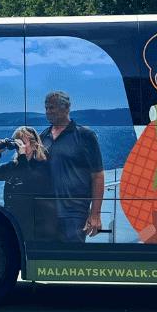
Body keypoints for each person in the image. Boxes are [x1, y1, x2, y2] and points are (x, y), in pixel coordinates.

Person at [38, 90, 105, 243]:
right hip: (47, 213)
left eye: (52, 108)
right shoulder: (43, 136)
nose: (48, 112)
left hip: (74, 213)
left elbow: (98, 175)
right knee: (49, 262)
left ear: (66, 108)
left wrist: (95, 214)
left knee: (72, 261)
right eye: (46, 108)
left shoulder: (85, 135)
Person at [0, 126, 59, 242]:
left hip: (35, 226)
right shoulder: (14, 166)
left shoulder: (43, 166)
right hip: (12, 222)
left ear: (34, 145)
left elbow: (28, 178)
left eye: (23, 142)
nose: (20, 146)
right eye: (18, 142)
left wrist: (22, 155)